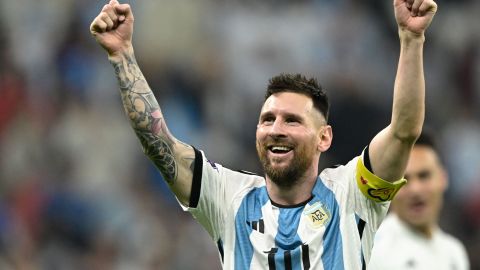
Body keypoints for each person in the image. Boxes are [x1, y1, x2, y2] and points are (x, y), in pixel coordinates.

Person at [89, 0, 437, 269]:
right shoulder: (227, 197)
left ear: (324, 138)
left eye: (292, 121)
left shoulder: (352, 195)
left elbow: (404, 131)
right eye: (267, 119)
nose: (276, 130)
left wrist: (411, 38)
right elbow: (157, 142)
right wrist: (122, 56)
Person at [368, 131, 470, 270]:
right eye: (404, 180)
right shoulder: (372, 251)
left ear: (443, 178)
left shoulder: (454, 252)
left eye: (424, 176)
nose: (415, 190)